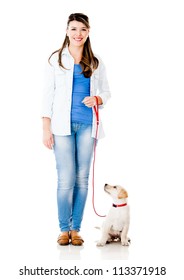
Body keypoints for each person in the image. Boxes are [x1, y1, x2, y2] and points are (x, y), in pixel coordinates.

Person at [41, 13, 111, 246]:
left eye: (82, 29)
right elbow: (47, 96)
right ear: (67, 31)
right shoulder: (56, 59)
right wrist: (46, 128)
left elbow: (106, 92)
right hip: (61, 127)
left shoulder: (96, 61)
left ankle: (76, 229)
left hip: (87, 126)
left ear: (88, 31)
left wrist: (97, 99)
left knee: (82, 178)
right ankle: (63, 229)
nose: (78, 34)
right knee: (65, 179)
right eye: (73, 29)